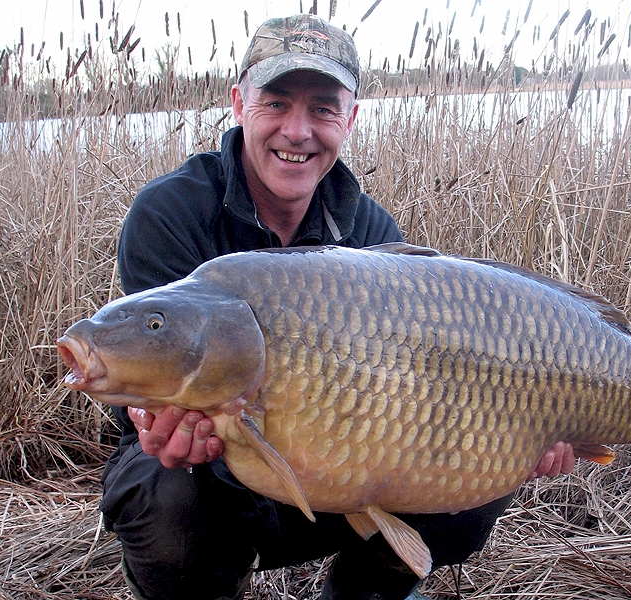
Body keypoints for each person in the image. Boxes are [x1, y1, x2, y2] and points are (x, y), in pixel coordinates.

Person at [101, 13, 576, 600]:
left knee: (472, 477)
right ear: (239, 104)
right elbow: (153, 363)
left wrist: (526, 432)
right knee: (170, 501)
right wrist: (148, 416)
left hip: (341, 465)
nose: (297, 131)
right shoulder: (170, 214)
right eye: (276, 103)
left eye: (323, 109)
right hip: (205, 470)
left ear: (349, 119)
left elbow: (421, 395)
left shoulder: (372, 235)